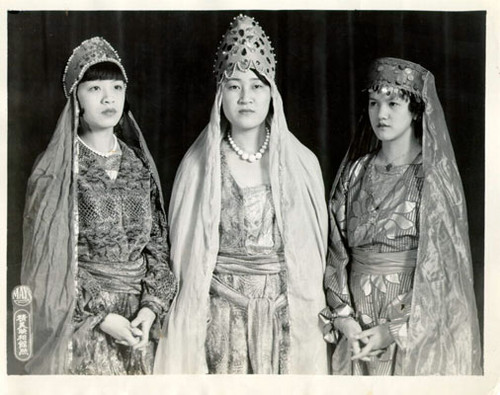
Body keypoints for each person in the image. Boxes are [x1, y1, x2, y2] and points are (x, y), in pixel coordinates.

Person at [153, 15, 328, 374]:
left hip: (286, 318)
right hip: (219, 321)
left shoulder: (302, 164)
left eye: (256, 86)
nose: (246, 98)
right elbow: (187, 261)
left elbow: (311, 260)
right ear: (220, 95)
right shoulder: (199, 166)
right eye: (234, 86)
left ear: (271, 94)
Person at [20, 37, 177, 374]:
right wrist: (102, 319)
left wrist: (150, 310)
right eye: (94, 88)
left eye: (117, 86)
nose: (109, 97)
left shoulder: (138, 166)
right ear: (75, 98)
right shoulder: (55, 171)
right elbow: (47, 266)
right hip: (81, 329)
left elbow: (158, 251)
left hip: (139, 329)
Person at [320, 57, 482, 375]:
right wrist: (343, 317)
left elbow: (443, 270)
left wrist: (394, 330)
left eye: (393, 103)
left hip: (414, 328)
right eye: (373, 103)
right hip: (356, 329)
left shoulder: (432, 177)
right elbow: (336, 250)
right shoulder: (355, 172)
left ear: (416, 110)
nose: (381, 114)